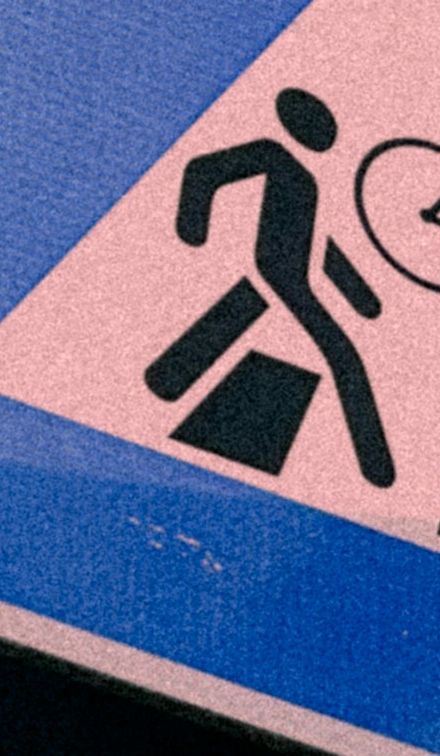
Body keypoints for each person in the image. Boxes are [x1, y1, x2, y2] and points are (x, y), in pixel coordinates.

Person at [166, 87, 395, 486]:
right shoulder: (271, 154)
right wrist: (193, 228)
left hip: (288, 276)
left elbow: (321, 245)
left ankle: (166, 379)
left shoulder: (308, 180)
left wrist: (362, 298)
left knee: (236, 320)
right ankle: (375, 466)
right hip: (278, 272)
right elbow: (205, 171)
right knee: (342, 355)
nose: (325, 138)